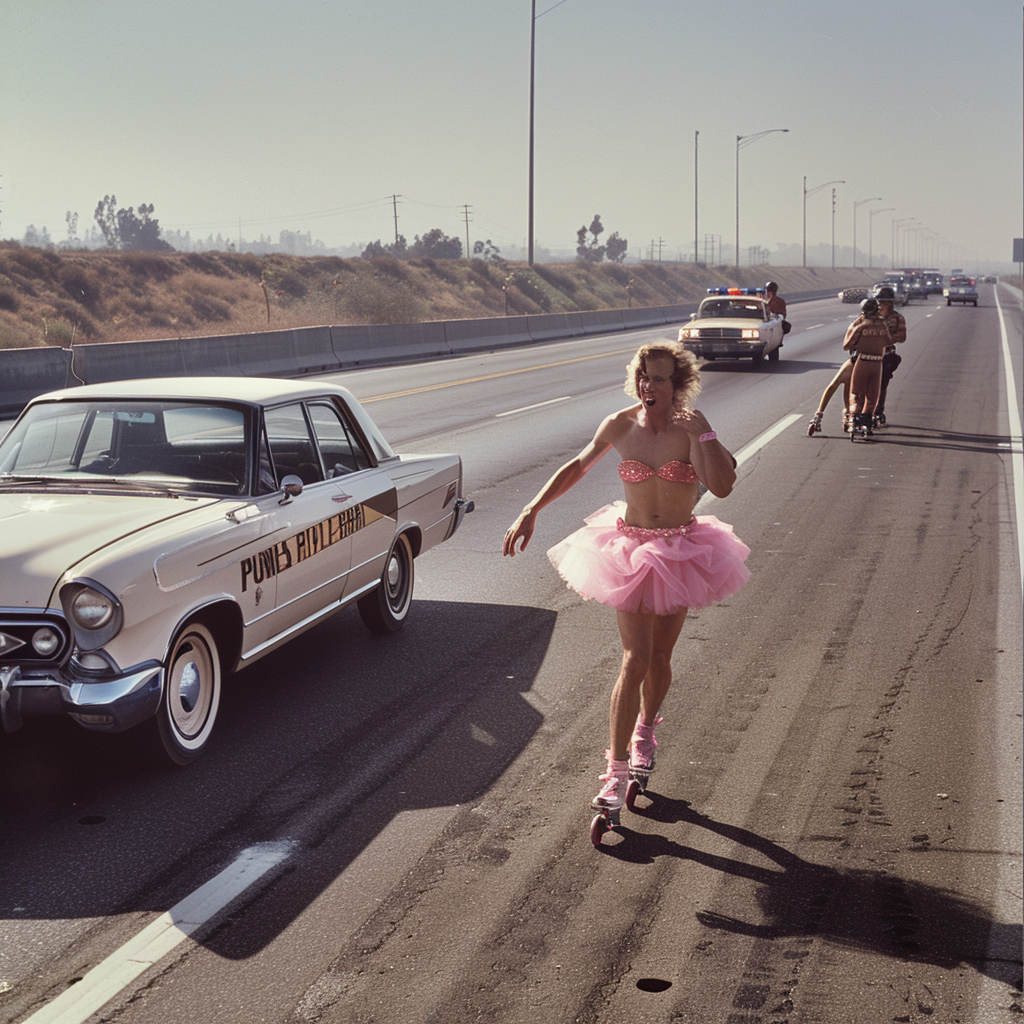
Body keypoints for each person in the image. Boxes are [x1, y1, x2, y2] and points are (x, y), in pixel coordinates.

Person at [502, 341, 750, 817]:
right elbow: (577, 465)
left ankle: (645, 732)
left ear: (677, 386)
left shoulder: (690, 428)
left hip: (679, 550)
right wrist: (533, 509)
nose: (648, 386)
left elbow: (721, 485)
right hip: (630, 550)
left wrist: (705, 436)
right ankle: (614, 775)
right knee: (634, 658)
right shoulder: (619, 424)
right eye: (643, 376)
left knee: (660, 657)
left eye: (659, 378)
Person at [843, 297, 891, 437]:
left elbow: (846, 346)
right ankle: (867, 422)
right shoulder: (883, 325)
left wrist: (860, 343)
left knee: (856, 393)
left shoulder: (861, 326)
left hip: (863, 361)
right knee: (872, 396)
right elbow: (888, 342)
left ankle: (855, 418)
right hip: (877, 363)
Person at [871, 286, 907, 426]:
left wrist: (886, 338)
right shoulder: (872, 315)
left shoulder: (898, 318)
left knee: (882, 385)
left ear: (890, 303)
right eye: (879, 301)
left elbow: (902, 337)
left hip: (886, 355)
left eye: (884, 302)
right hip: (869, 353)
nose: (880, 305)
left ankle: (878, 410)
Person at [807, 353, 856, 435]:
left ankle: (849, 415)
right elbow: (846, 346)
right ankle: (819, 415)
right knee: (838, 383)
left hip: (863, 360)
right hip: (859, 360)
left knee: (841, 384)